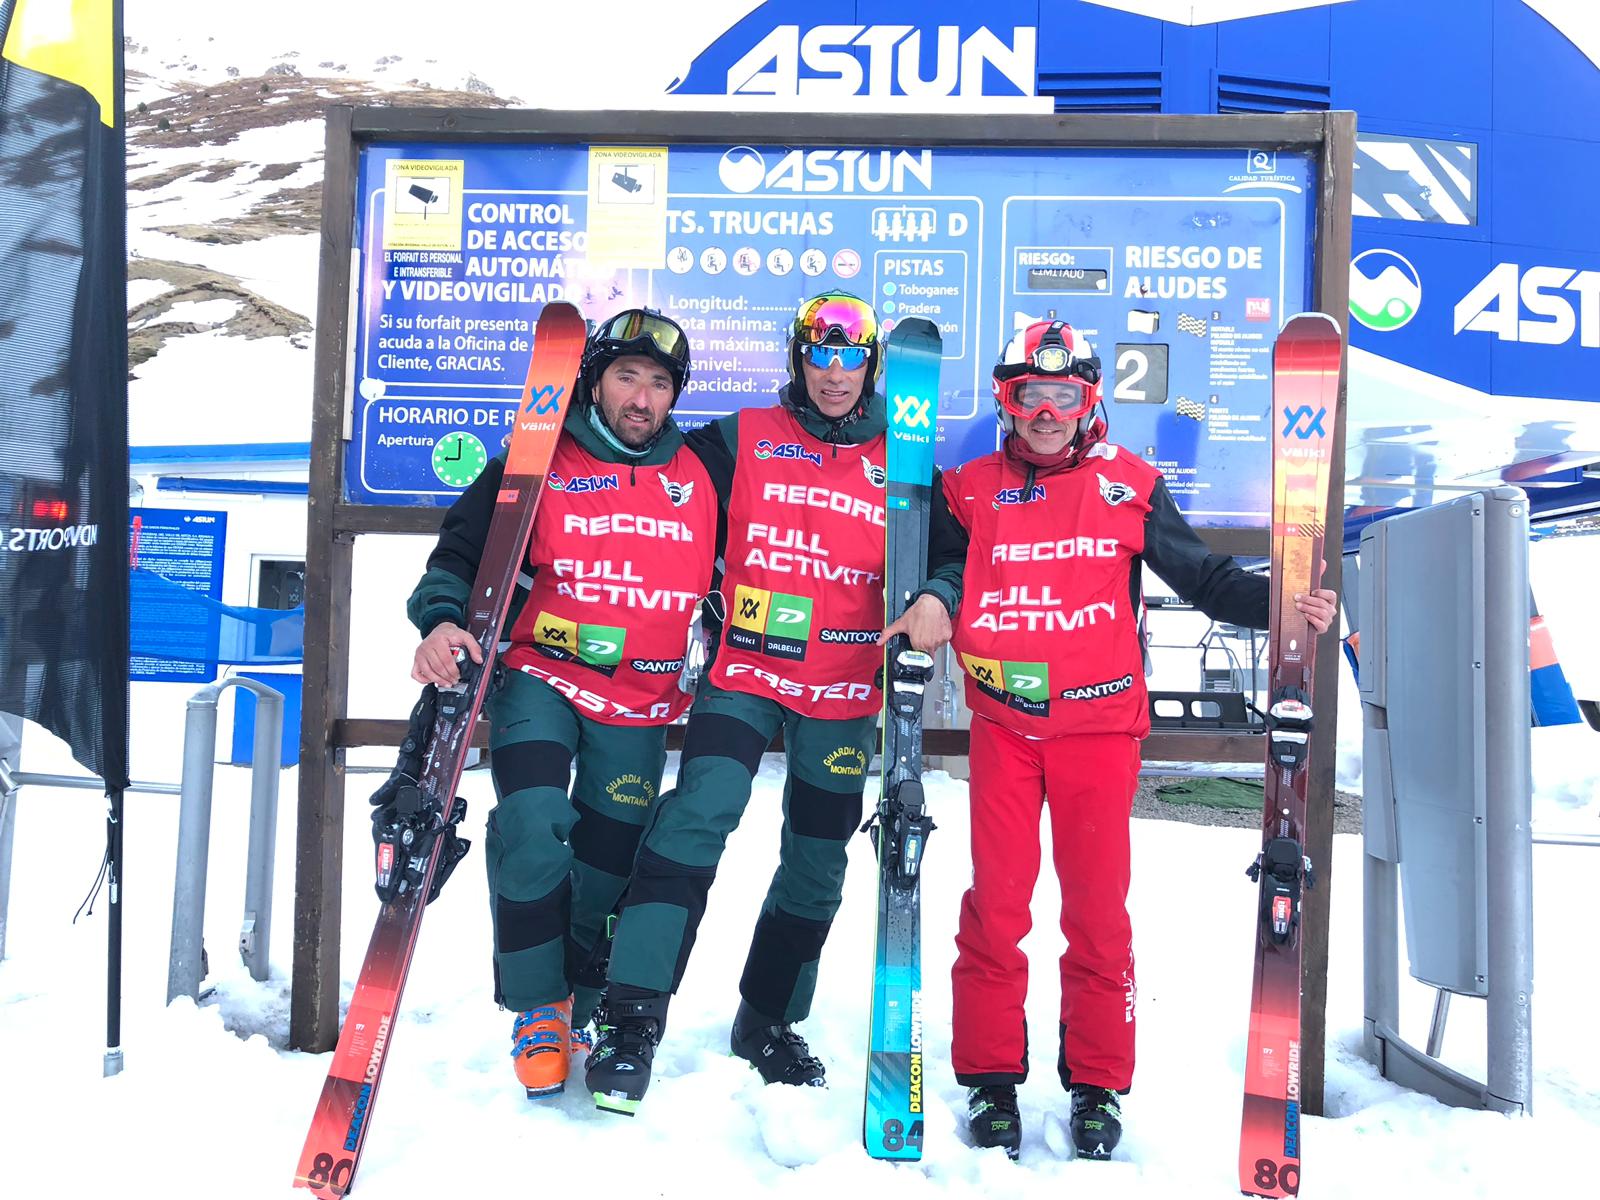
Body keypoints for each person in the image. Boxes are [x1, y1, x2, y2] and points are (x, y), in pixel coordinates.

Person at [887, 319, 1338, 1161]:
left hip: (1098, 734)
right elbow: (948, 566)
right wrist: (938, 601)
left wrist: (1284, 605)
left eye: (1063, 395)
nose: (1046, 411)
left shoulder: (1128, 484)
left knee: (1097, 917)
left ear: (1088, 400)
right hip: (1006, 730)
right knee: (998, 908)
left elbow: (1204, 577)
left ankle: (1096, 1085)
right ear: (1006, 401)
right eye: (1030, 395)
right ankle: (990, 1079)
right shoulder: (971, 486)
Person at [583, 292, 929, 1115]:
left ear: (871, 366)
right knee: (697, 815)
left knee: (818, 859)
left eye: (852, 360)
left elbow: (942, 550)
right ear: (799, 359)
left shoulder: (903, 455)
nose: (836, 373)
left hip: (844, 690)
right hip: (744, 673)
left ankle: (766, 1020)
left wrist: (940, 593)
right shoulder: (738, 438)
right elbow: (642, 458)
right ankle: (630, 1015)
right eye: (821, 356)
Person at [401, 308, 719, 1100]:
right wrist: (441, 620)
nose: (642, 398)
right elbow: (462, 551)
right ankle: (538, 1004)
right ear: (594, 380)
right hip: (543, 677)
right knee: (535, 822)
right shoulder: (540, 457)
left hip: (641, 701)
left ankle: (579, 984)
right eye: (627, 377)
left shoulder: (706, 469)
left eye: (659, 383)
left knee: (608, 867)